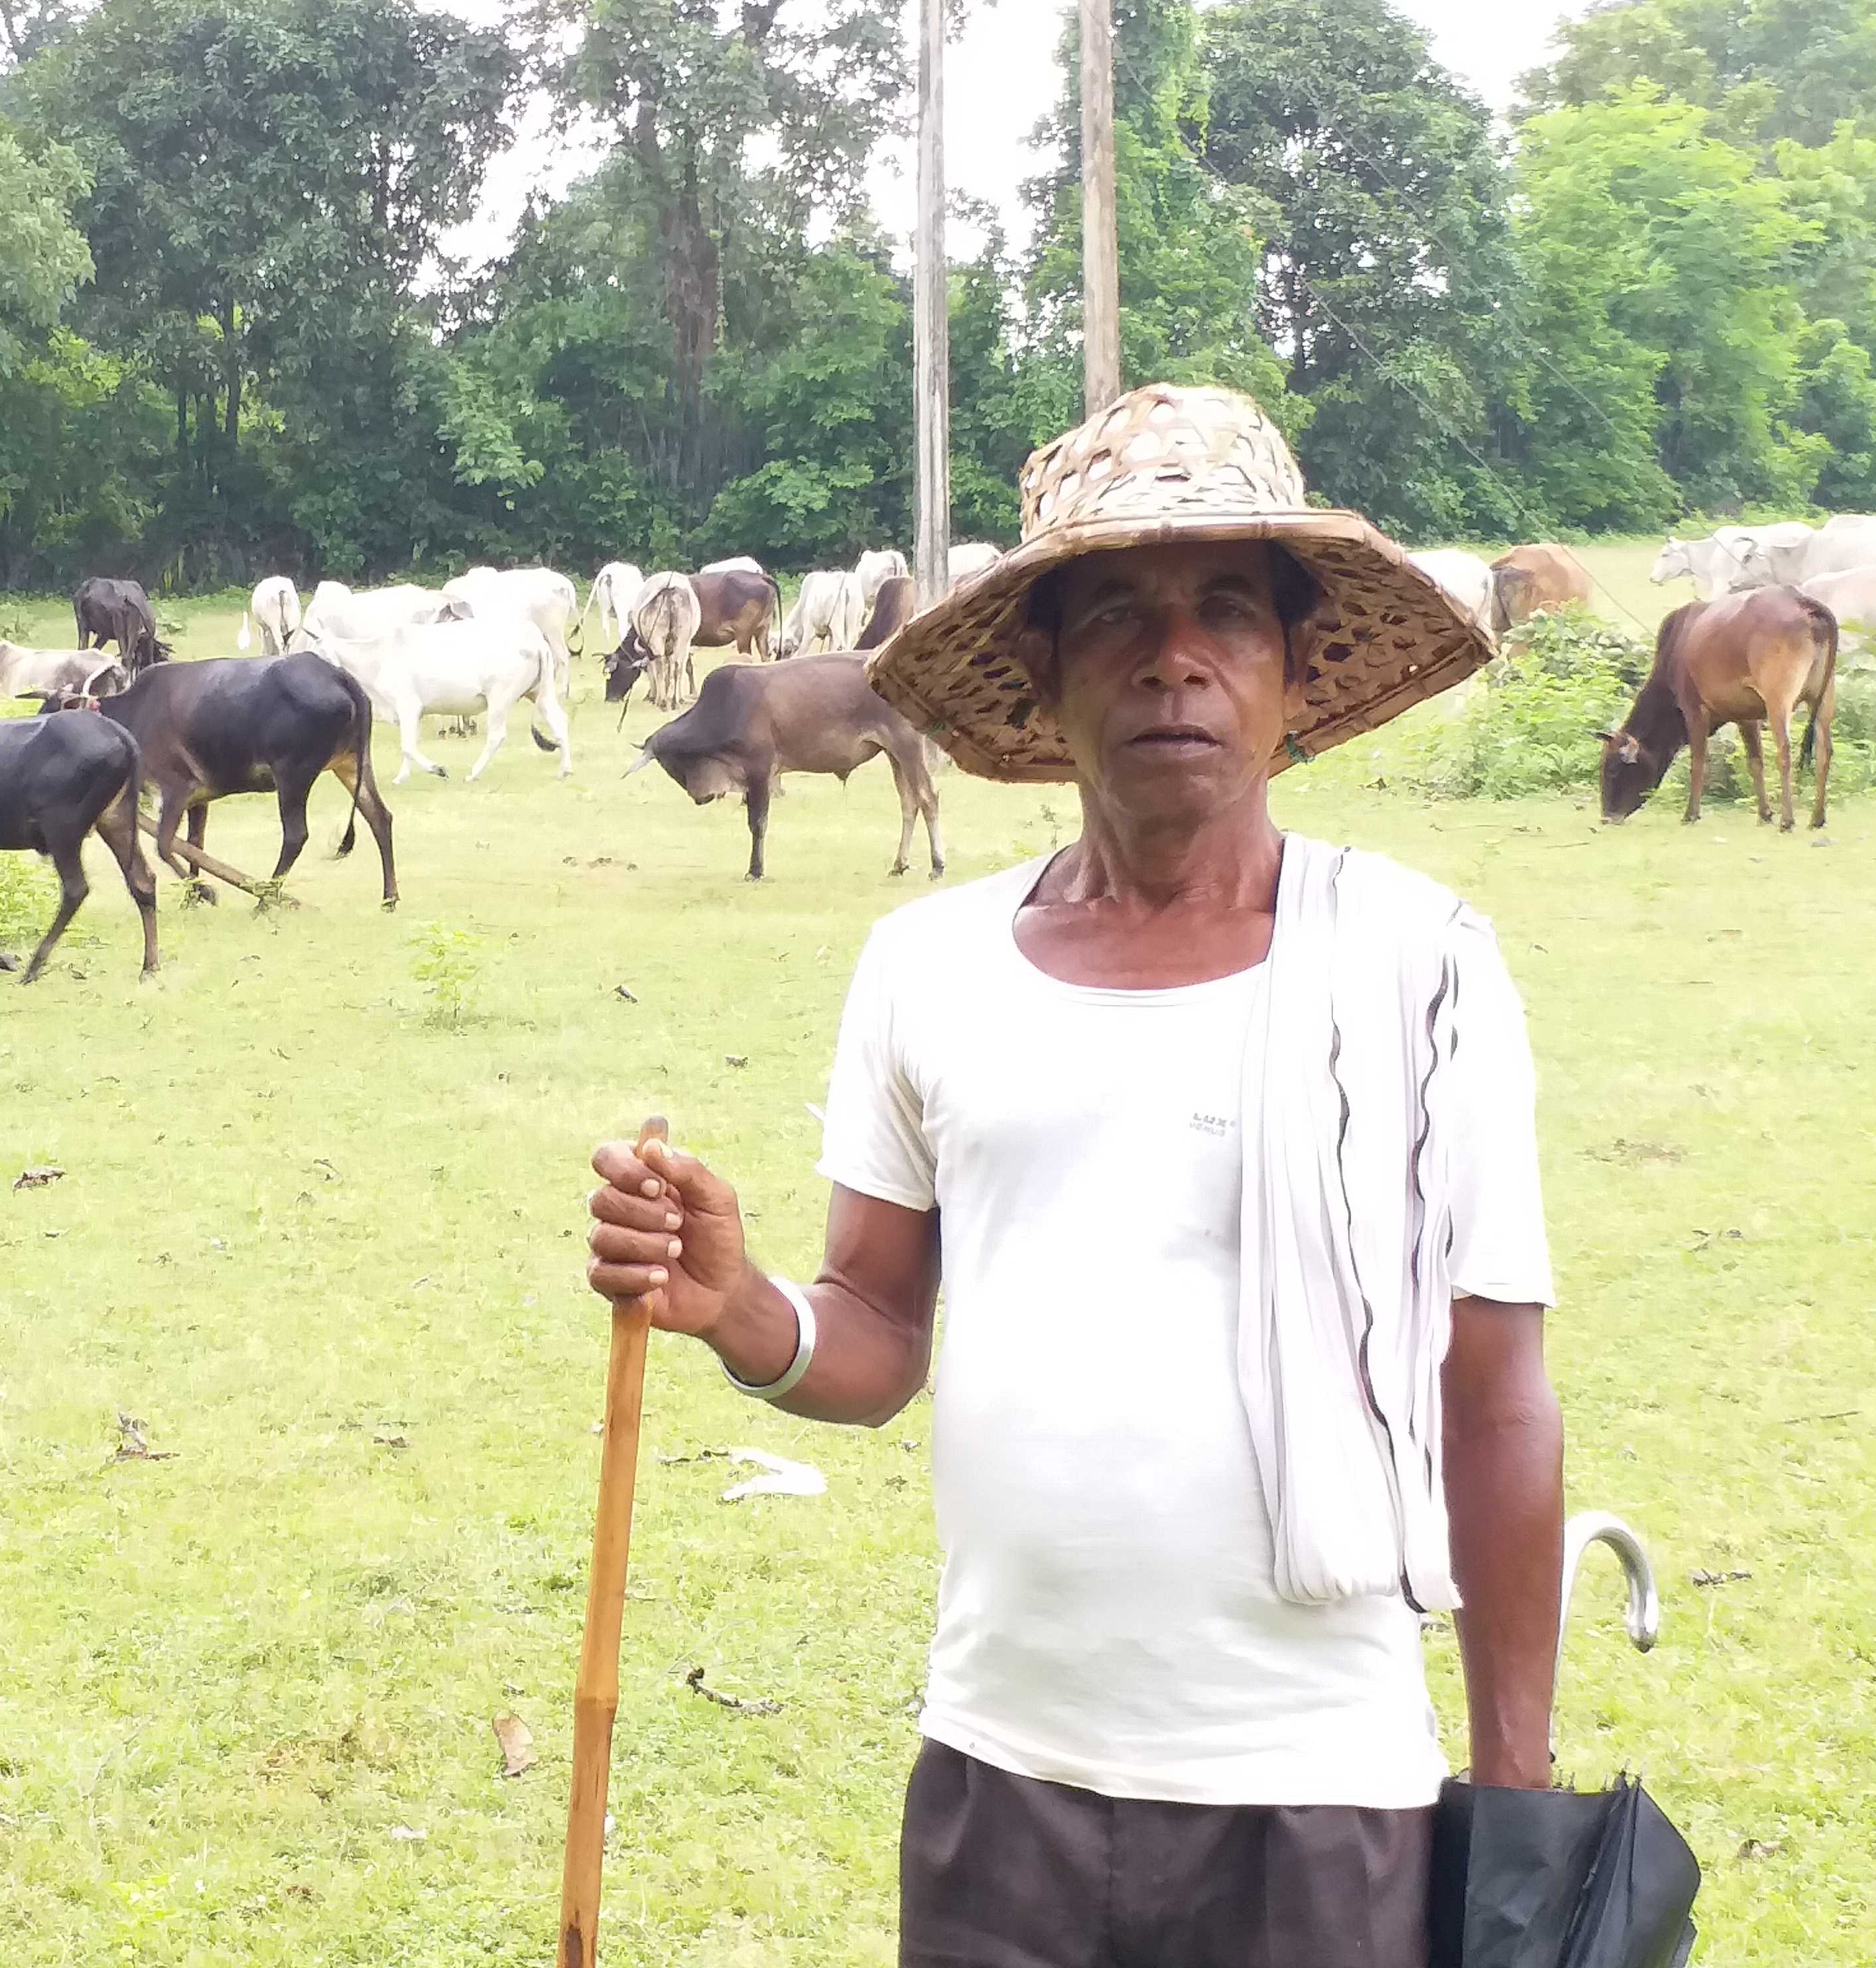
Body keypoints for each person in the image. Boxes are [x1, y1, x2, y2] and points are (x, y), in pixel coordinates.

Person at [585, 384, 1566, 1968]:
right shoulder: (928, 965)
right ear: (1040, 672)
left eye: (1228, 613)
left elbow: (1499, 1394)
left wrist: (1514, 1804)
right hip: (1004, 1775)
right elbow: (876, 1332)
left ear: (1294, 668)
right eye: (1114, 614)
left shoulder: (1419, 962)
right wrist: (742, 1309)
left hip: (1321, 1795)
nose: (1173, 657)